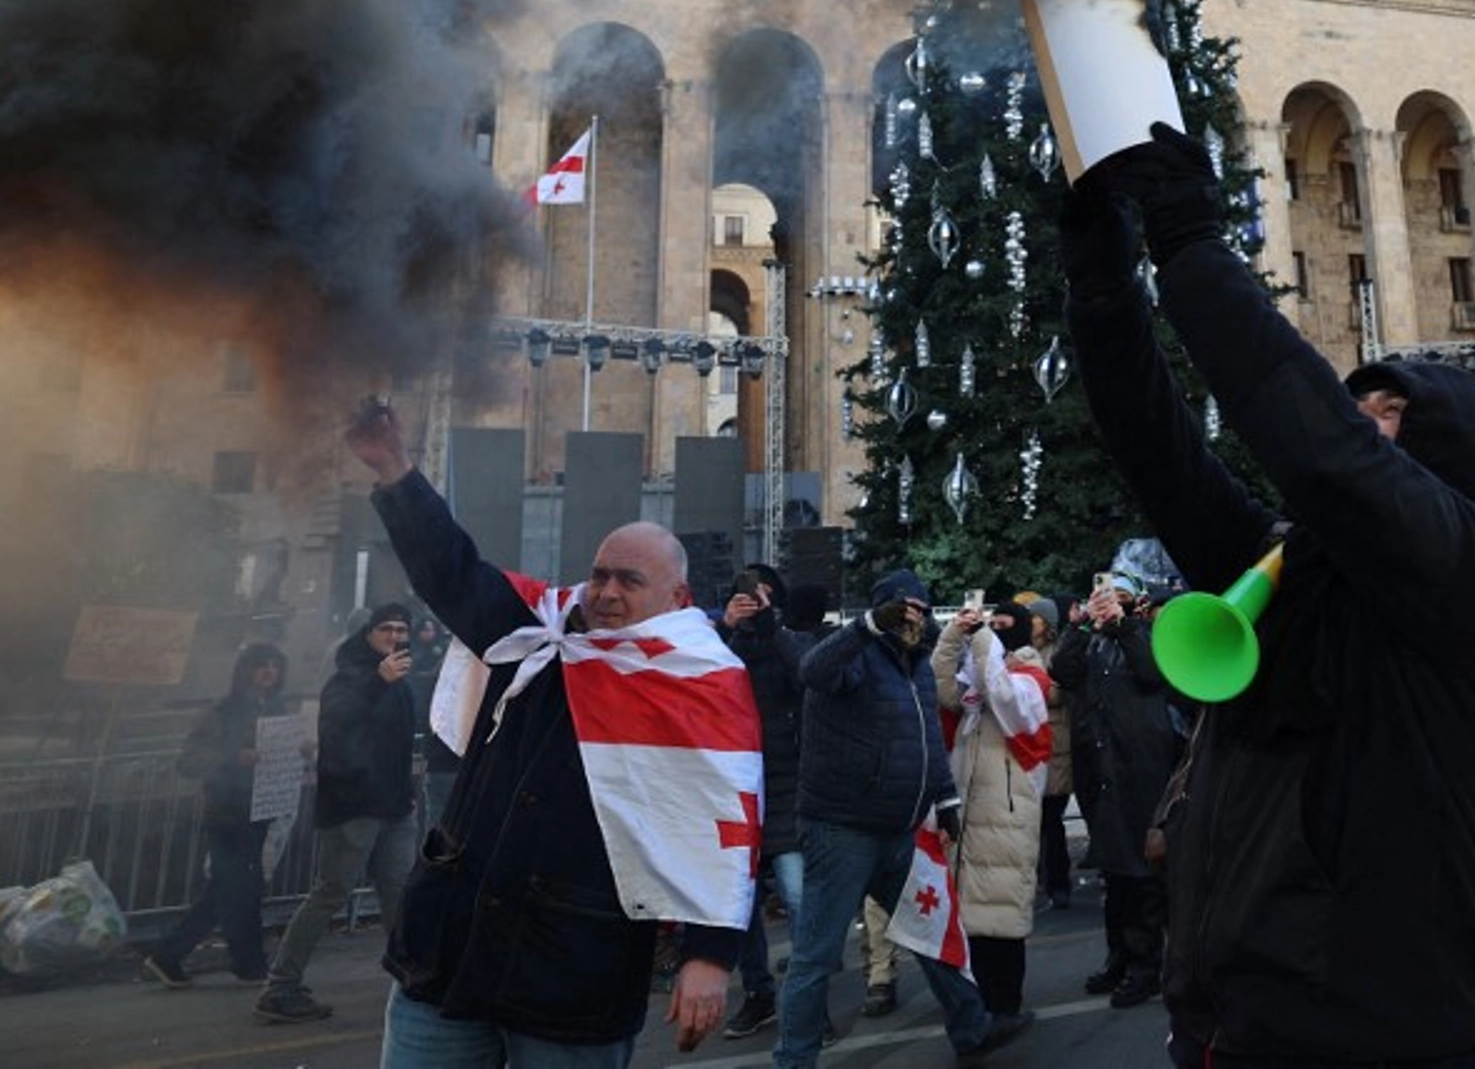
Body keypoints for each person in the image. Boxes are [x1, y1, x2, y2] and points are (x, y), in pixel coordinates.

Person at [1062, 125, 1475, 1067]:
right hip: (1231, 1029)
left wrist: (1191, 241)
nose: (1365, 424)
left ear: (1457, 460)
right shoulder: (1292, 571)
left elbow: (1315, 443)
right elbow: (1161, 453)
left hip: (1385, 1037)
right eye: (1360, 411)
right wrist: (1103, 290)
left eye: (1391, 417)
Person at [345, 403, 753, 1065]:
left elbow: (724, 824)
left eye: (629, 579)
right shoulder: (539, 629)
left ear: (677, 599)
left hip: (572, 975)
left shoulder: (701, 684)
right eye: (599, 574)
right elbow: (453, 572)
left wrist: (710, 954)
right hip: (448, 951)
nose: (605, 591)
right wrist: (395, 471)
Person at [777, 568, 1032, 1069]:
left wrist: (945, 797)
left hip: (897, 828)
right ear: (882, 609)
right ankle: (794, 1060)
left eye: (919, 605)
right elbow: (812, 671)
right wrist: (866, 627)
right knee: (815, 955)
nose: (912, 613)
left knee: (934, 934)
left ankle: (971, 1027)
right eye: (902, 606)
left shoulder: (914, 663)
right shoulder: (852, 652)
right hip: (842, 828)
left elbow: (926, 740)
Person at [253, 602, 425, 1024]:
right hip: (354, 807)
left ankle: (416, 980)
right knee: (331, 891)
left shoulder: (400, 681)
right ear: (366, 634)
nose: (395, 636)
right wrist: (376, 685)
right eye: (385, 628)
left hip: (394, 806)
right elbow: (336, 726)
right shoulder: (350, 678)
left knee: (400, 894)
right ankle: (280, 986)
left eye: (401, 629)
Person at [1051, 570, 1184, 1011]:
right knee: (1113, 867)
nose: (1111, 603)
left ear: (1136, 603)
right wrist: (1078, 625)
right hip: (1100, 765)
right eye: (1106, 596)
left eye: (1120, 596)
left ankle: (1146, 966)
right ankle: (1119, 957)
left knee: (1141, 871)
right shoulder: (1092, 640)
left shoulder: (1145, 635)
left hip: (1141, 765)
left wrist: (1124, 626)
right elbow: (1063, 671)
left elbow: (1151, 673)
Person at [932, 596, 1054, 1026]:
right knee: (973, 913)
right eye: (992, 624)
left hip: (1007, 808)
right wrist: (953, 635)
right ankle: (981, 1001)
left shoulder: (1031, 678)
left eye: (1004, 626)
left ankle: (1006, 1004)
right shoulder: (980, 671)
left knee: (1001, 912)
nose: (996, 630)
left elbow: (1003, 696)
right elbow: (945, 688)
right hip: (971, 806)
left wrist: (983, 636)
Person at [145, 642, 292, 989]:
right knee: (240, 888)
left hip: (258, 809)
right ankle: (245, 963)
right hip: (228, 813)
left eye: (274, 665)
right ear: (246, 671)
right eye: (261, 665)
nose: (269, 672)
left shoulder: (275, 708)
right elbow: (189, 760)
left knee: (231, 889)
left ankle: (182, 957)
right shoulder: (224, 712)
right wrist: (233, 758)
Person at [717, 563, 811, 1041]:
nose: (755, 602)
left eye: (763, 595)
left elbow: (806, 674)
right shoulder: (725, 645)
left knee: (798, 897)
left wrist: (772, 625)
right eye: (746, 595)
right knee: (741, 906)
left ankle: (806, 1001)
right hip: (737, 794)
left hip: (788, 787)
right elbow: (697, 681)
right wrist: (724, 627)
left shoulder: (787, 640)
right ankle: (759, 994)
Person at [1009, 596, 1078, 912]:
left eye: (1034, 617)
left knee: (1051, 819)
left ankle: (1058, 884)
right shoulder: (1017, 651)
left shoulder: (1058, 652)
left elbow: (1058, 691)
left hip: (1054, 743)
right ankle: (1034, 880)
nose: (1030, 620)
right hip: (1028, 741)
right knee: (1029, 821)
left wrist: (1030, 681)